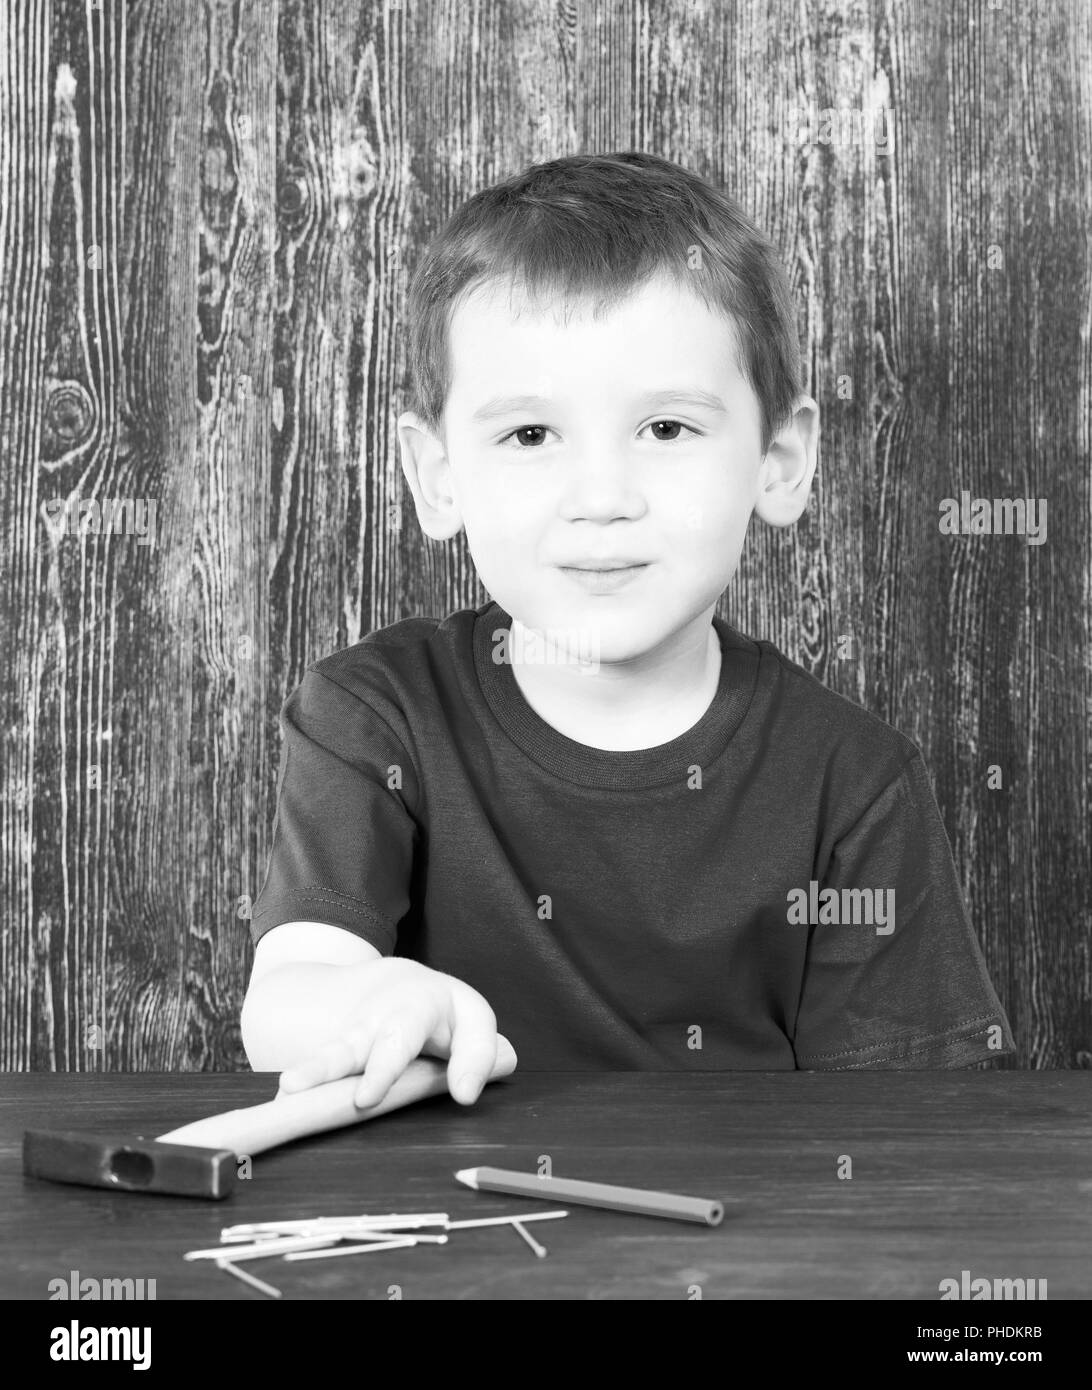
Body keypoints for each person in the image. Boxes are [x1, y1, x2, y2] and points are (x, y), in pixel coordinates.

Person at [241, 151, 1014, 1110]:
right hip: (449, 1245)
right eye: (530, 435)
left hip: (743, 1247)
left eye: (666, 430)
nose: (602, 500)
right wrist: (374, 996)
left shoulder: (853, 785)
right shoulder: (376, 716)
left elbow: (918, 1132)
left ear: (778, 462)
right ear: (437, 474)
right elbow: (285, 997)